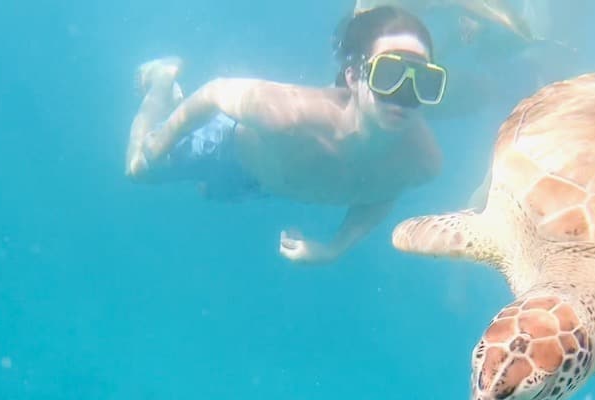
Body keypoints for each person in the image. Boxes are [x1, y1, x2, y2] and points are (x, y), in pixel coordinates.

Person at [125, 6, 446, 264]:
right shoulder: (289, 115)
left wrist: (333, 249)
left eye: (424, 82)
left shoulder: (422, 163)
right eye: (389, 75)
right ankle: (162, 81)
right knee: (138, 169)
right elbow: (215, 92)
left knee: (205, 191)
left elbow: (382, 193)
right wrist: (163, 139)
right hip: (227, 148)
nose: (404, 95)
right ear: (352, 76)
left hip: (266, 182)